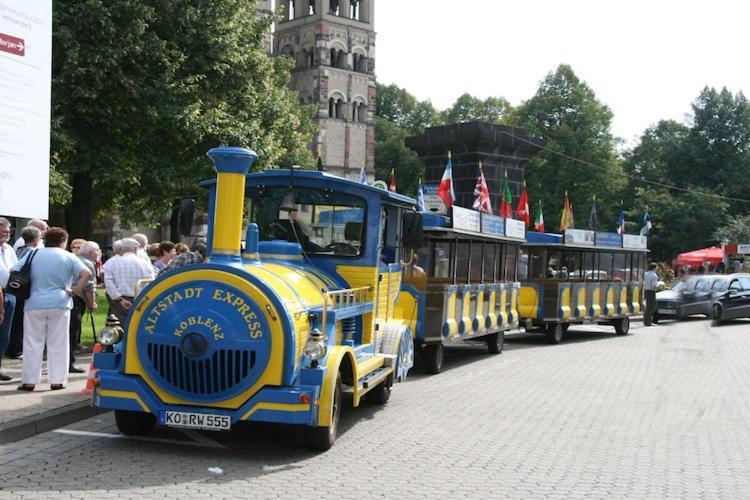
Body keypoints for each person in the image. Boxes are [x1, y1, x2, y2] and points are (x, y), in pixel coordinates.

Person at [13, 227, 92, 391]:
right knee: (59, 342)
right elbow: (86, 274)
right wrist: (75, 291)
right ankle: (57, 380)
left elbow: (14, 270)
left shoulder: (33, 253)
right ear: (63, 241)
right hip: (61, 302)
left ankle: (29, 381)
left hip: (34, 302)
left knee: (32, 342)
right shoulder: (68, 256)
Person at [7, 225, 43, 360]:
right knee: (22, 321)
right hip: (27, 288)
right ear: (36, 239)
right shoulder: (34, 252)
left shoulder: (19, 250)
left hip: (16, 288)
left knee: (16, 319)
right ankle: (17, 348)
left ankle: (14, 346)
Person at [103, 238, 155, 324]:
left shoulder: (111, 262)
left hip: (118, 301)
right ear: (135, 249)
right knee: (136, 325)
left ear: (122, 248)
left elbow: (109, 283)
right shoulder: (145, 264)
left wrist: (119, 299)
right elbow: (150, 283)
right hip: (140, 299)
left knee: (117, 326)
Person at [68, 241, 99, 373]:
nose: (99, 253)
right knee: (72, 332)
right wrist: (92, 303)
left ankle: (65, 362)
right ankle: (69, 362)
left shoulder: (74, 259)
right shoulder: (87, 264)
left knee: (67, 332)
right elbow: (89, 286)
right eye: (98, 251)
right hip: (77, 299)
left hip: (69, 297)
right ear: (92, 252)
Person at [0, 217, 19, 381]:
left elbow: (15, 267)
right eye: (3, 230)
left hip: (9, 293)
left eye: (7, 231)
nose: (6, 234)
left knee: (5, 335)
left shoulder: (9, 249)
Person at [643, 262, 659, 326]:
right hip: (651, 291)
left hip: (646, 290)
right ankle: (648, 322)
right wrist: (659, 286)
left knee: (647, 306)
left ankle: (646, 320)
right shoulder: (654, 275)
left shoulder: (645, 274)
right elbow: (653, 285)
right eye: (656, 267)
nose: (657, 268)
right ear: (654, 268)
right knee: (651, 307)